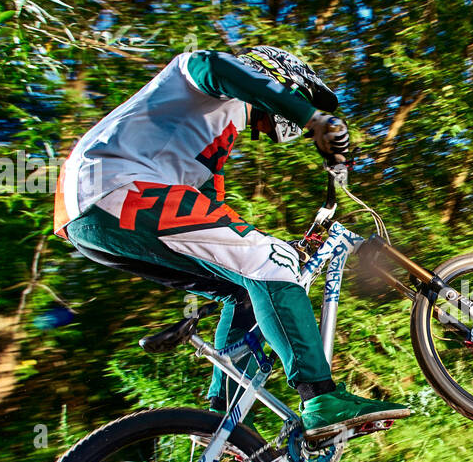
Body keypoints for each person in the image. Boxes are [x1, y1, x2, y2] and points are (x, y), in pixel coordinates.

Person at [52, 45, 409, 439]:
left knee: (246, 286)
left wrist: (287, 251)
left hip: (94, 218)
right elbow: (214, 66)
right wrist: (312, 118)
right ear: (276, 77)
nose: (286, 130)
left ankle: (221, 418)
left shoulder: (210, 144)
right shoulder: (204, 76)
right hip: (114, 189)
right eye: (297, 100)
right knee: (268, 262)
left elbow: (217, 217)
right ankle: (321, 398)